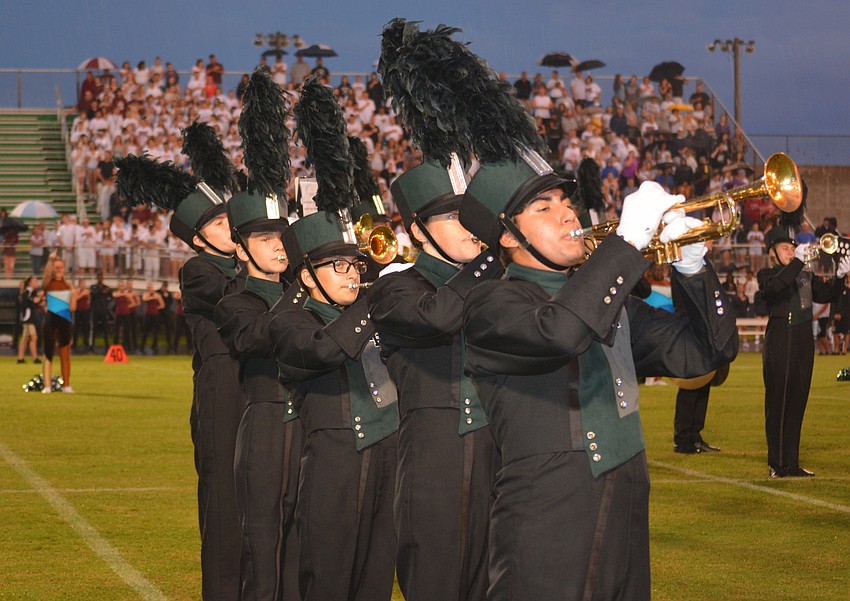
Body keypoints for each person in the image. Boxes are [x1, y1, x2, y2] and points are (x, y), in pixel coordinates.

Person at [458, 155, 737, 600]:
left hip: (626, 507)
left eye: (565, 201)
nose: (568, 213)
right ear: (508, 236)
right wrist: (625, 243)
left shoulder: (609, 303)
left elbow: (706, 353)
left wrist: (692, 267)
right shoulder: (490, 304)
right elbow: (561, 331)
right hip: (547, 519)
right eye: (543, 207)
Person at [369, 161, 502, 601]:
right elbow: (439, 316)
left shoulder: (501, 283)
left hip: (505, 460)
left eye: (471, 213)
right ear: (419, 231)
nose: (469, 226)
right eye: (451, 216)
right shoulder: (395, 288)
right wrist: (491, 260)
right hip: (435, 462)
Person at [272, 210, 399, 601]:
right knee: (329, 580)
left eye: (355, 264)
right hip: (334, 464)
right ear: (307, 277)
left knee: (375, 580)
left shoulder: (371, 315)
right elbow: (324, 348)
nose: (352, 273)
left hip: (392, 456)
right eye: (338, 265)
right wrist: (375, 297)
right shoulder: (288, 322)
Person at [214, 191, 302, 601]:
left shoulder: (305, 292)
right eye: (265, 238)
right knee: (263, 548)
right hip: (266, 425)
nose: (279, 245)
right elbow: (255, 338)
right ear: (240, 247)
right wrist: (305, 290)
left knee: (305, 549)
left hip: (311, 427)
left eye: (282, 236)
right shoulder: (235, 302)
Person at [757, 227, 849, 478]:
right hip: (780, 335)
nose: (790, 251)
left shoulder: (804, 275)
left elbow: (827, 294)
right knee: (778, 399)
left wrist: (841, 274)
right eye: (785, 248)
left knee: (798, 399)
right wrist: (797, 260)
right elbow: (776, 288)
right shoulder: (767, 273)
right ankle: (776, 463)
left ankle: (792, 463)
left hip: (802, 337)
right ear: (773, 252)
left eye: (792, 247)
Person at [41, 254, 77, 393]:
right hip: (51, 320)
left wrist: (74, 295)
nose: (58, 270)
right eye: (56, 268)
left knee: (65, 355)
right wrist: (50, 260)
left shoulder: (68, 284)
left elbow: (73, 307)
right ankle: (47, 385)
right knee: (48, 353)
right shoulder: (48, 283)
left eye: (60, 267)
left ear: (64, 269)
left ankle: (66, 385)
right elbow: (45, 278)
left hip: (65, 321)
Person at [16, 276, 43, 364]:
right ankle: (35, 358)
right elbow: (27, 303)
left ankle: (20, 358)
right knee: (33, 337)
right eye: (34, 281)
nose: (36, 282)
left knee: (25, 338)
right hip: (28, 318)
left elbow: (36, 302)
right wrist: (37, 299)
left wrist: (39, 299)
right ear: (30, 283)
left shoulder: (32, 292)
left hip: (31, 318)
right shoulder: (27, 292)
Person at [72, 278, 92, 353]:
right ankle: (74, 345)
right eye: (82, 283)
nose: (83, 285)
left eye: (84, 283)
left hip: (85, 311)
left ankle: (86, 345)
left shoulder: (87, 291)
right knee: (76, 328)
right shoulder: (77, 291)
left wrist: (88, 302)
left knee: (86, 328)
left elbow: (89, 300)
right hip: (78, 311)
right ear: (79, 284)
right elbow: (75, 299)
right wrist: (82, 294)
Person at [831, 273, 850, 354]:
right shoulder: (835, 291)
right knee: (835, 332)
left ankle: (844, 350)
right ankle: (837, 349)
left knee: (846, 332)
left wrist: (841, 314)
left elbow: (848, 304)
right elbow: (833, 302)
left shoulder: (848, 290)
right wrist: (834, 314)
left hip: (846, 315)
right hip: (836, 315)